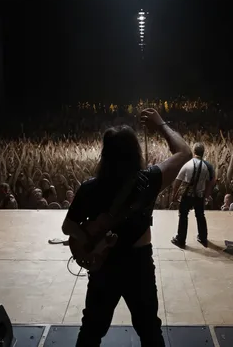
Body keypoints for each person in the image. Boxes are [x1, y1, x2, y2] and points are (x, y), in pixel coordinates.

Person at [61, 108, 191, 347]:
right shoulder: (149, 180)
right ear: (135, 153)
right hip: (138, 264)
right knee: (150, 331)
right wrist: (160, 124)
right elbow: (184, 152)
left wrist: (91, 241)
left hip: (103, 265)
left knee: (91, 329)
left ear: (105, 155)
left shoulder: (89, 188)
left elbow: (67, 226)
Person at [171, 142, 215, 249]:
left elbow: (177, 182)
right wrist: (206, 196)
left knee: (183, 216)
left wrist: (174, 196)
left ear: (193, 151)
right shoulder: (207, 167)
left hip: (187, 195)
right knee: (200, 216)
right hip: (199, 196)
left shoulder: (187, 165)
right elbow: (211, 182)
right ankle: (203, 238)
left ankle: (181, 240)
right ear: (203, 153)